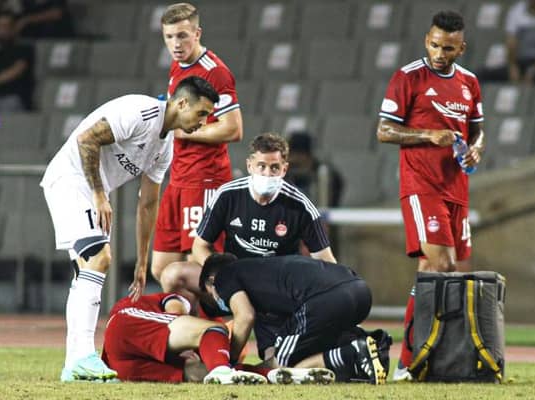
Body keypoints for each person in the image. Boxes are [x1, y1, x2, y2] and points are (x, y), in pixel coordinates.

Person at [39, 76, 219, 382]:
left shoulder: (165, 147)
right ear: (182, 103)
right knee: (99, 258)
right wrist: (98, 194)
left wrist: (142, 261)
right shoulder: (141, 111)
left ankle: (73, 365)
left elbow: (148, 203)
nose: (202, 123)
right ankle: (84, 356)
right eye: (201, 114)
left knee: (86, 271)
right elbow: (86, 139)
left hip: (89, 189)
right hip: (71, 181)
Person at [375, 10, 485, 380]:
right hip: (422, 187)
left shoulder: (470, 82)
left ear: (461, 48)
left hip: (457, 188)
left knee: (440, 270)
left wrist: (476, 149)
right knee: (441, 267)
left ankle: (411, 362)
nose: (440, 53)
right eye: (435, 45)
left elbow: (478, 131)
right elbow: (384, 131)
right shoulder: (408, 77)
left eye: (449, 48)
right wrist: (427, 134)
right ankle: (411, 360)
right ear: (427, 40)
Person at [160, 133, 337, 301]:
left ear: (284, 169)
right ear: (249, 166)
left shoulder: (301, 206)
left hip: (278, 284)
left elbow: (326, 262)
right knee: (172, 275)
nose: (267, 174)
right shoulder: (227, 195)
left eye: (274, 168)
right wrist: (219, 275)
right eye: (261, 166)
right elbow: (200, 245)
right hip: (234, 278)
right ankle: (196, 329)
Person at [151, 2, 243, 285]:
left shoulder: (215, 72)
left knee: (198, 266)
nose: (175, 44)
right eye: (169, 37)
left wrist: (184, 131)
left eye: (182, 36)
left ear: (197, 33)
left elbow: (234, 129)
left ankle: (218, 323)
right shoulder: (177, 65)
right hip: (179, 178)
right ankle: (188, 323)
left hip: (204, 180)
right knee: (161, 268)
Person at [198, 253, 387, 385]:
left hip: (326, 298)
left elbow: (245, 316)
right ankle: (372, 345)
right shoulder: (261, 274)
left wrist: (227, 362)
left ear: (212, 280)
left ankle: (353, 353)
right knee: (309, 348)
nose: (218, 302)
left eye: (210, 295)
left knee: (282, 365)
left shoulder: (225, 275)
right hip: (360, 291)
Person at [101, 291, 333, 384]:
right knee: (214, 331)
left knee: (197, 373)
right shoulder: (173, 301)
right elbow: (174, 305)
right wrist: (187, 339)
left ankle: (274, 375)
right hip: (123, 326)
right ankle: (223, 371)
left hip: (120, 367)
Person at [481, 0, 535, 83]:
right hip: (522, 62)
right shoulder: (515, 11)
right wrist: (512, 67)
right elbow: (511, 46)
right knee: (482, 75)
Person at [285, 132, 344, 208]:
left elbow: (329, 205)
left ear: (304, 155)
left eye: (291, 154)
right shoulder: (286, 173)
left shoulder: (324, 174)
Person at [0, 10, 34, 111]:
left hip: (13, 98)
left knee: (1, 122)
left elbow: (16, 70)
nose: (2, 30)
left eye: (6, 26)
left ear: (14, 28)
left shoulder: (24, 49)